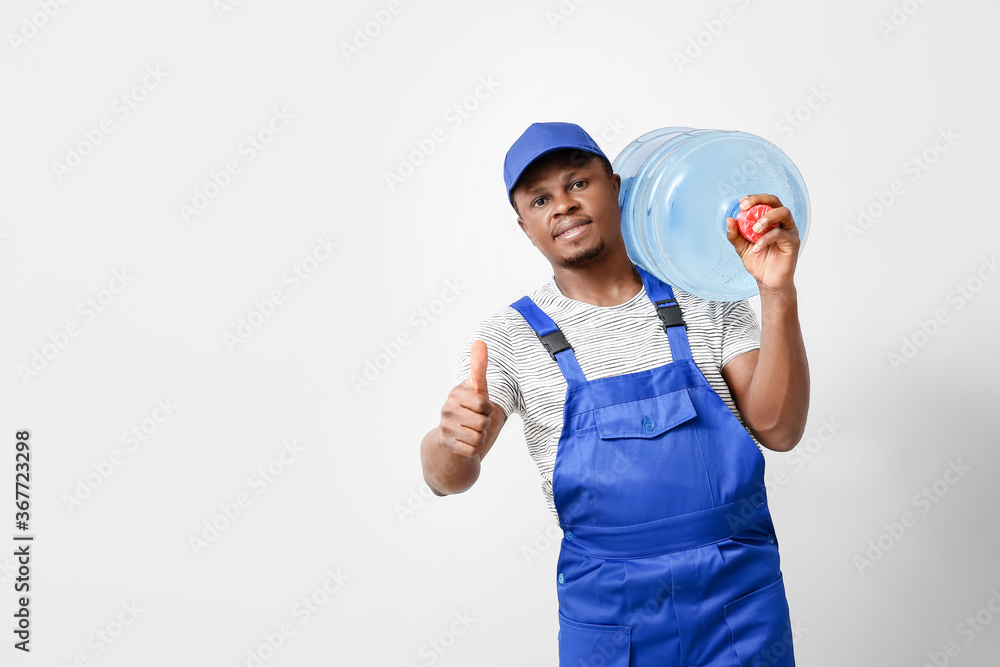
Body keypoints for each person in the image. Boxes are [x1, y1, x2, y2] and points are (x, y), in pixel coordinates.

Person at [419, 122, 809, 666]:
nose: (562, 205)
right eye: (540, 198)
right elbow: (446, 480)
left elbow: (781, 429)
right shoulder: (510, 338)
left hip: (737, 601)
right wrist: (448, 442)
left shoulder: (702, 294)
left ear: (617, 187)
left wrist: (775, 291)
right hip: (610, 615)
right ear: (524, 225)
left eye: (578, 183)